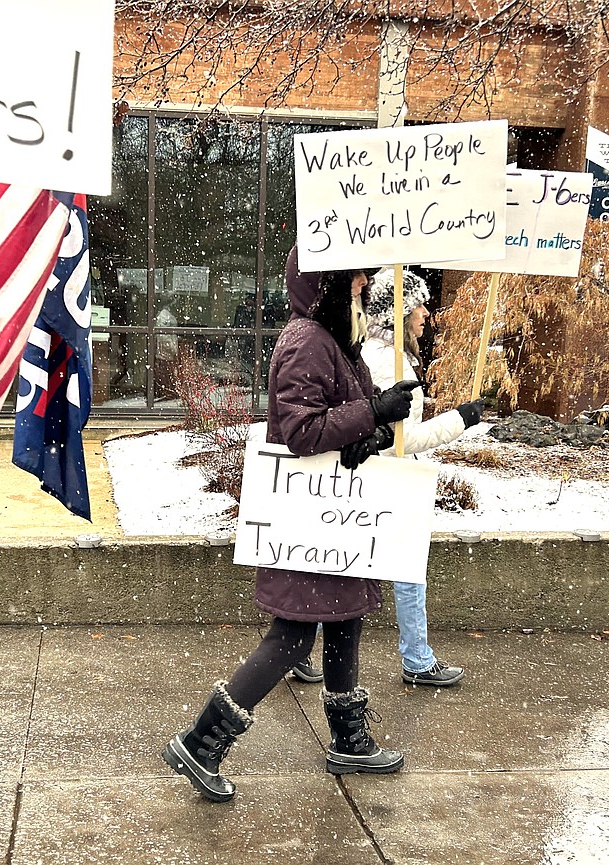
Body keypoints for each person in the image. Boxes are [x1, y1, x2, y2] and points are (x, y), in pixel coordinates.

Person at [161, 246, 420, 801]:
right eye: (354, 276)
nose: (364, 285)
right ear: (324, 282)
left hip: (336, 524)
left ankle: (349, 740)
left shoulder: (337, 344)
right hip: (310, 523)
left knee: (345, 621)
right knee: (293, 635)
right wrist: (371, 415)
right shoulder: (308, 340)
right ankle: (201, 741)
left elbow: (343, 417)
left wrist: (373, 425)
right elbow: (302, 431)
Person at [358, 268, 485, 687]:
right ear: (399, 313)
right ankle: (416, 659)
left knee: (351, 568)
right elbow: (397, 438)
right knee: (397, 568)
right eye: (417, 305)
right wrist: (458, 420)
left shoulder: (391, 356)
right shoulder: (386, 361)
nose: (426, 313)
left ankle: (299, 652)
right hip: (387, 479)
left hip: (385, 479)